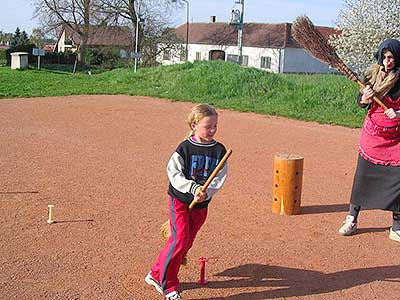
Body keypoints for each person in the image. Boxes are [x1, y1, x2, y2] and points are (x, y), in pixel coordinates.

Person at [145, 104, 229, 300]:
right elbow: (173, 174)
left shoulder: (219, 150)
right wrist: (192, 188)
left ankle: (155, 273)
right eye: (208, 126)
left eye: (215, 126)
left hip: (201, 205)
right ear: (194, 125)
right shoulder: (184, 148)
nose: (213, 130)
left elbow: (220, 177)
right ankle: (168, 285)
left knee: (186, 241)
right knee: (180, 239)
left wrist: (206, 192)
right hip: (180, 200)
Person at [338, 38, 400, 242]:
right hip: (372, 138)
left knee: (398, 181)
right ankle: (351, 219)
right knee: (362, 178)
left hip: (396, 141)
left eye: (391, 57)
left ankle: (397, 226)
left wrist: (398, 113)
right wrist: (365, 97)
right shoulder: (372, 74)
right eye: (384, 57)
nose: (387, 61)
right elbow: (360, 103)